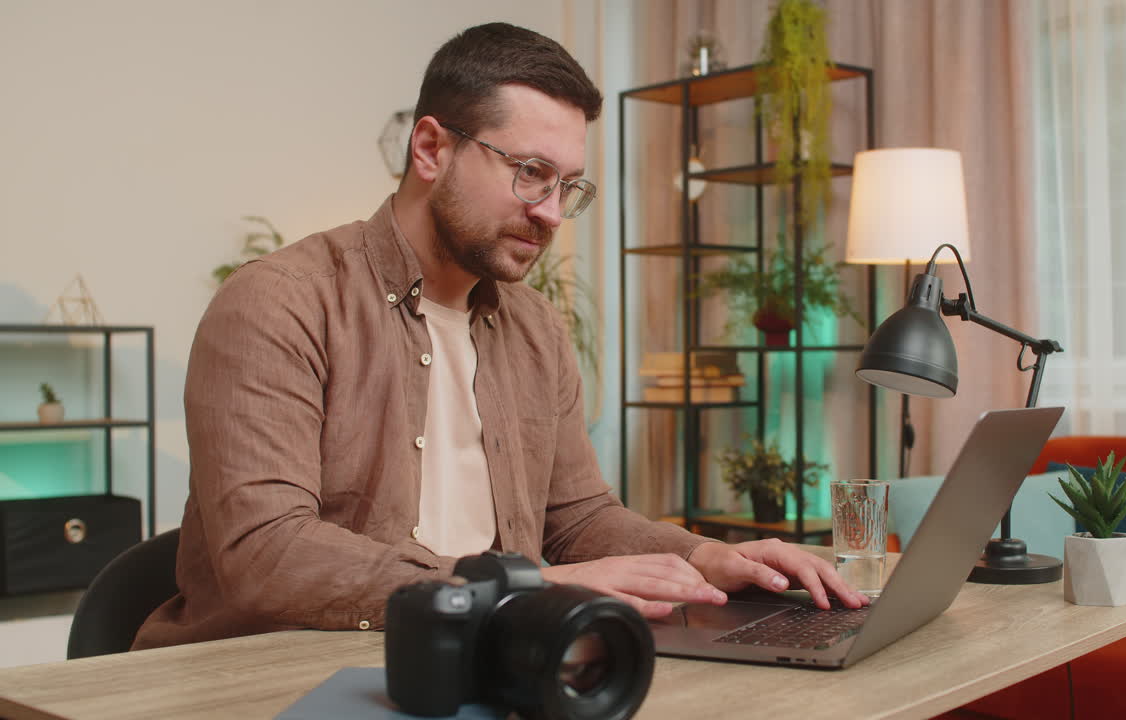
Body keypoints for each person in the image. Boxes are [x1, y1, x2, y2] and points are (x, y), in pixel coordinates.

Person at [134, 22, 864, 650]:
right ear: (430, 149)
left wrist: (708, 556)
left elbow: (577, 520)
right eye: (531, 173)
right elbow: (267, 554)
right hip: (268, 677)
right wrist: (529, 586)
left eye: (567, 186)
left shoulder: (536, 329)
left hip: (484, 657)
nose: (551, 213)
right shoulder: (279, 303)